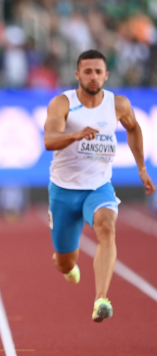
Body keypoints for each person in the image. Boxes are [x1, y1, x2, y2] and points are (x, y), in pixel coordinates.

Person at [44, 49, 154, 322]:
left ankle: (100, 299)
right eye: (88, 71)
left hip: (98, 186)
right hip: (64, 191)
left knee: (107, 226)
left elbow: (133, 128)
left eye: (98, 72)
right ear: (77, 74)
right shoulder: (62, 103)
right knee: (64, 261)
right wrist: (76, 134)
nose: (93, 77)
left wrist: (141, 167)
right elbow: (49, 140)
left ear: (106, 75)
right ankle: (68, 267)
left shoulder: (118, 105)